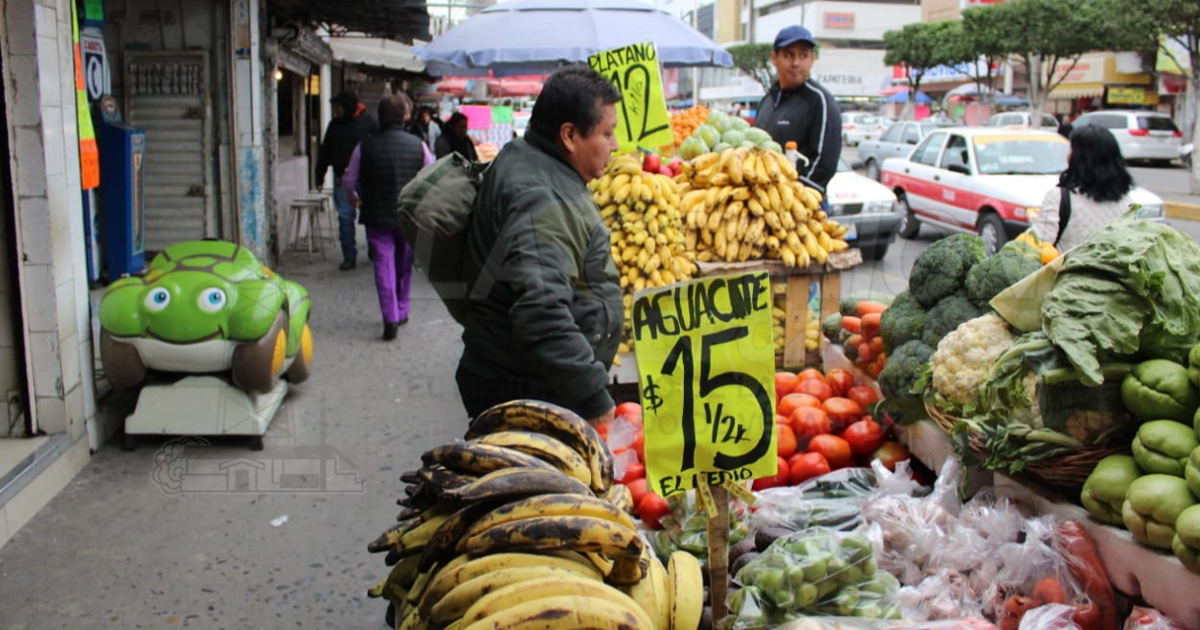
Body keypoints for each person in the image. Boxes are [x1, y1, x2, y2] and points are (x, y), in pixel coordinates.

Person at [457, 65, 622, 426]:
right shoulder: (540, 197)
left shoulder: (527, 156)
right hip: (531, 393)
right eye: (607, 133)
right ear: (569, 135)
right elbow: (541, 314)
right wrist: (595, 399)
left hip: (523, 380)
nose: (615, 146)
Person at [341, 95, 434, 341]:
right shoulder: (418, 145)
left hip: (376, 215)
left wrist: (354, 197)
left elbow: (348, 180)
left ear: (379, 117)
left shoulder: (364, 146)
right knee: (404, 263)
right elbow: (432, 176)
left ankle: (390, 317)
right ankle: (402, 309)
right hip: (408, 216)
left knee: (383, 266)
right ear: (404, 116)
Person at [753, 25, 842, 193]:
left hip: (801, 207)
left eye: (803, 55)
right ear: (774, 58)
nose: (796, 63)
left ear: (812, 59)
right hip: (766, 202)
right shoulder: (768, 100)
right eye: (789, 55)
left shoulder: (819, 101)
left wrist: (794, 197)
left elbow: (824, 164)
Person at [1033, 125, 1135, 252]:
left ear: (1078, 157)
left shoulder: (1059, 198)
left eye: (1070, 149)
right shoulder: (1126, 201)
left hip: (1067, 271)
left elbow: (1039, 246)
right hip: (1111, 272)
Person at [317, 90, 379, 271]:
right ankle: (349, 256)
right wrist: (319, 174)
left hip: (367, 177)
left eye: (338, 106)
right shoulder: (334, 126)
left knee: (369, 216)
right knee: (345, 217)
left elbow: (379, 145)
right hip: (342, 177)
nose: (336, 110)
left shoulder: (368, 122)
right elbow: (325, 151)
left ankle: (373, 249)